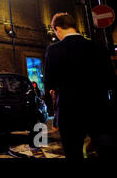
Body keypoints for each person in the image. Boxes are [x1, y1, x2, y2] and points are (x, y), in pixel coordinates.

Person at [44, 12, 116, 159]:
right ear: (73, 26)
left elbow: (50, 82)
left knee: (73, 153)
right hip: (99, 110)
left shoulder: (54, 50)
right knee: (106, 151)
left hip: (70, 112)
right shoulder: (98, 48)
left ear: (57, 29)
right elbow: (110, 80)